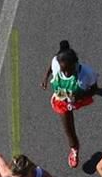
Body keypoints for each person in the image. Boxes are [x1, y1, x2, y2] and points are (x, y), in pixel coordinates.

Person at [40, 40, 98, 168]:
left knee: (83, 92)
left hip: (79, 98)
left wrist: (80, 96)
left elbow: (94, 89)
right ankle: (74, 149)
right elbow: (52, 65)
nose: (66, 73)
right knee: (69, 128)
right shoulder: (56, 62)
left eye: (69, 69)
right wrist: (45, 77)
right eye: (63, 70)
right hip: (62, 101)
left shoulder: (87, 74)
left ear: (75, 64)